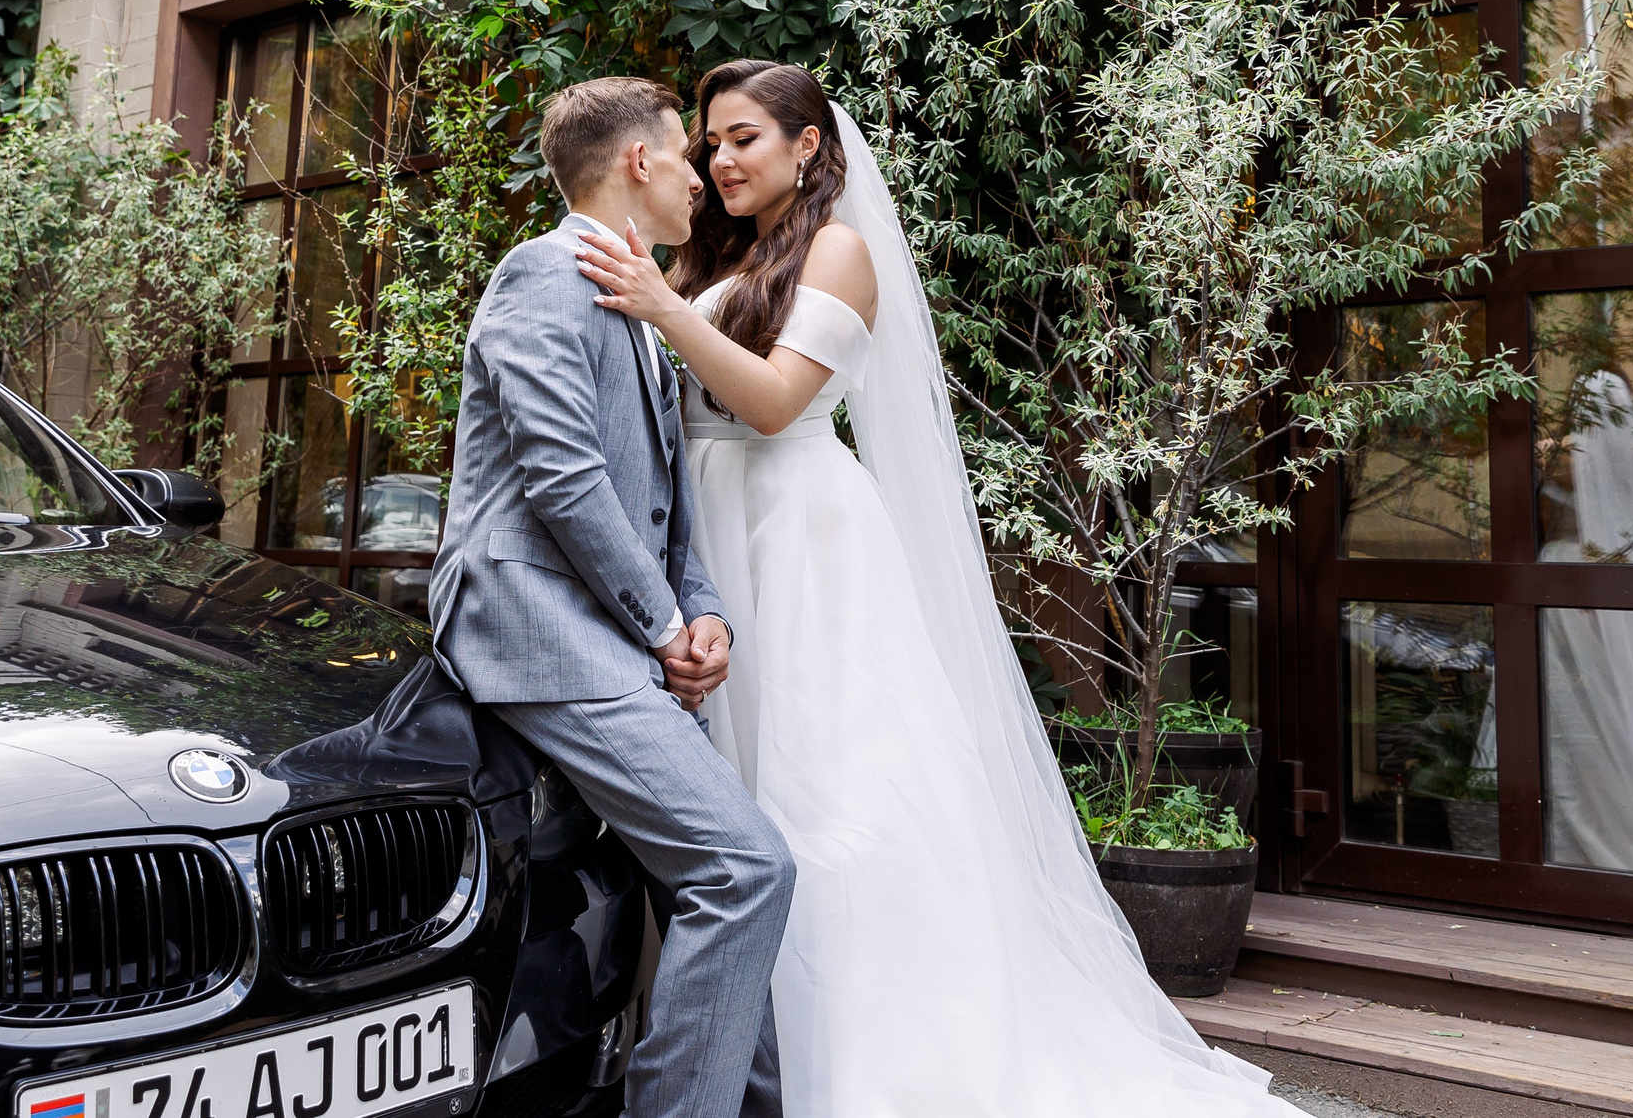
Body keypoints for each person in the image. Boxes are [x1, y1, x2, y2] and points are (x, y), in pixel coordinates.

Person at [572, 59, 1304, 1116]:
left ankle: (873, 1057)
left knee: (827, 787)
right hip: (707, 537)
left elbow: (777, 402)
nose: (720, 159)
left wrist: (659, 305)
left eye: (743, 138)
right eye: (711, 142)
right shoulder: (709, 259)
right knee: (731, 795)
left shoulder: (839, 251)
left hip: (799, 538)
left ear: (807, 145)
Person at [427, 75, 794, 1118]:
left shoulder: (643, 300)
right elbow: (563, 477)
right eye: (687, 158)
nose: (702, 181)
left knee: (715, 880)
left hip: (616, 636)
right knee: (744, 868)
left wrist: (705, 609)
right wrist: (668, 626)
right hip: (532, 625)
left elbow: (669, 509)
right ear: (639, 162)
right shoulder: (539, 274)